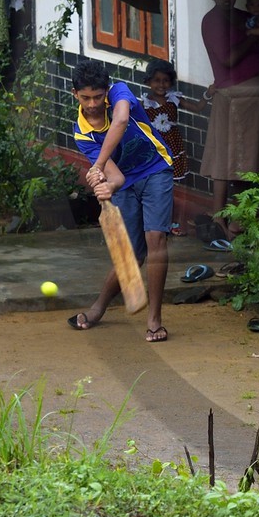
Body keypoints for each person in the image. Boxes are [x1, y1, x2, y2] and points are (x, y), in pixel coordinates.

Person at [65, 62, 175, 343]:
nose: (92, 104)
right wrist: (105, 186)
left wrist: (98, 165)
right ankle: (99, 307)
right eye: (85, 97)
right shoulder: (82, 132)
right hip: (126, 183)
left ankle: (154, 320)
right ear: (75, 93)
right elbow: (116, 177)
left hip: (155, 169)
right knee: (130, 254)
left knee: (156, 239)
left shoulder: (120, 92)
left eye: (98, 97)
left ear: (107, 91)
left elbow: (122, 120)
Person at [199, 0, 259, 241]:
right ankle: (219, 216)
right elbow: (228, 60)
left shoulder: (247, 18)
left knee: (252, 156)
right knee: (226, 156)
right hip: (232, 96)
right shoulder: (212, 21)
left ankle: (242, 217)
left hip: (256, 94)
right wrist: (252, 38)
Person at [142, 58, 202, 233]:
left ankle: (174, 222)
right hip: (155, 149)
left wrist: (208, 94)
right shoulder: (143, 104)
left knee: (173, 186)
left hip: (173, 148)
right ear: (148, 82)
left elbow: (198, 108)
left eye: (166, 80)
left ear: (171, 81)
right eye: (157, 80)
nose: (161, 84)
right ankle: (158, 222)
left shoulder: (174, 99)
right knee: (156, 185)